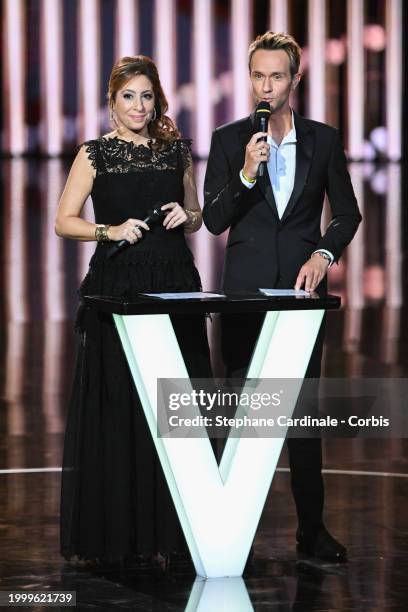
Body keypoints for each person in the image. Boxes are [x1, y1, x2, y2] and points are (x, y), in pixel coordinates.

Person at [203, 32, 362, 562]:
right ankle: (227, 534)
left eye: (276, 76)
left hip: (299, 298)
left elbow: (346, 213)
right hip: (244, 298)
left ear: (295, 80)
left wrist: (324, 255)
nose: (265, 87)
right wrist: (248, 172)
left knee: (301, 417)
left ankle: (310, 530)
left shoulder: (324, 139)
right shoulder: (229, 140)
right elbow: (216, 220)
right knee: (241, 415)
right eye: (257, 76)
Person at [56, 55, 211, 567]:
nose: (139, 106)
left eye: (147, 96)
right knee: (121, 402)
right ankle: (118, 534)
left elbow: (195, 217)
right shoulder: (95, 154)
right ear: (112, 101)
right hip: (118, 285)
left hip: (173, 282)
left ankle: (175, 530)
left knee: (176, 406)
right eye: (129, 96)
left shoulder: (176, 152)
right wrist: (110, 230)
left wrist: (185, 213)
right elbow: (64, 221)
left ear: (157, 99)